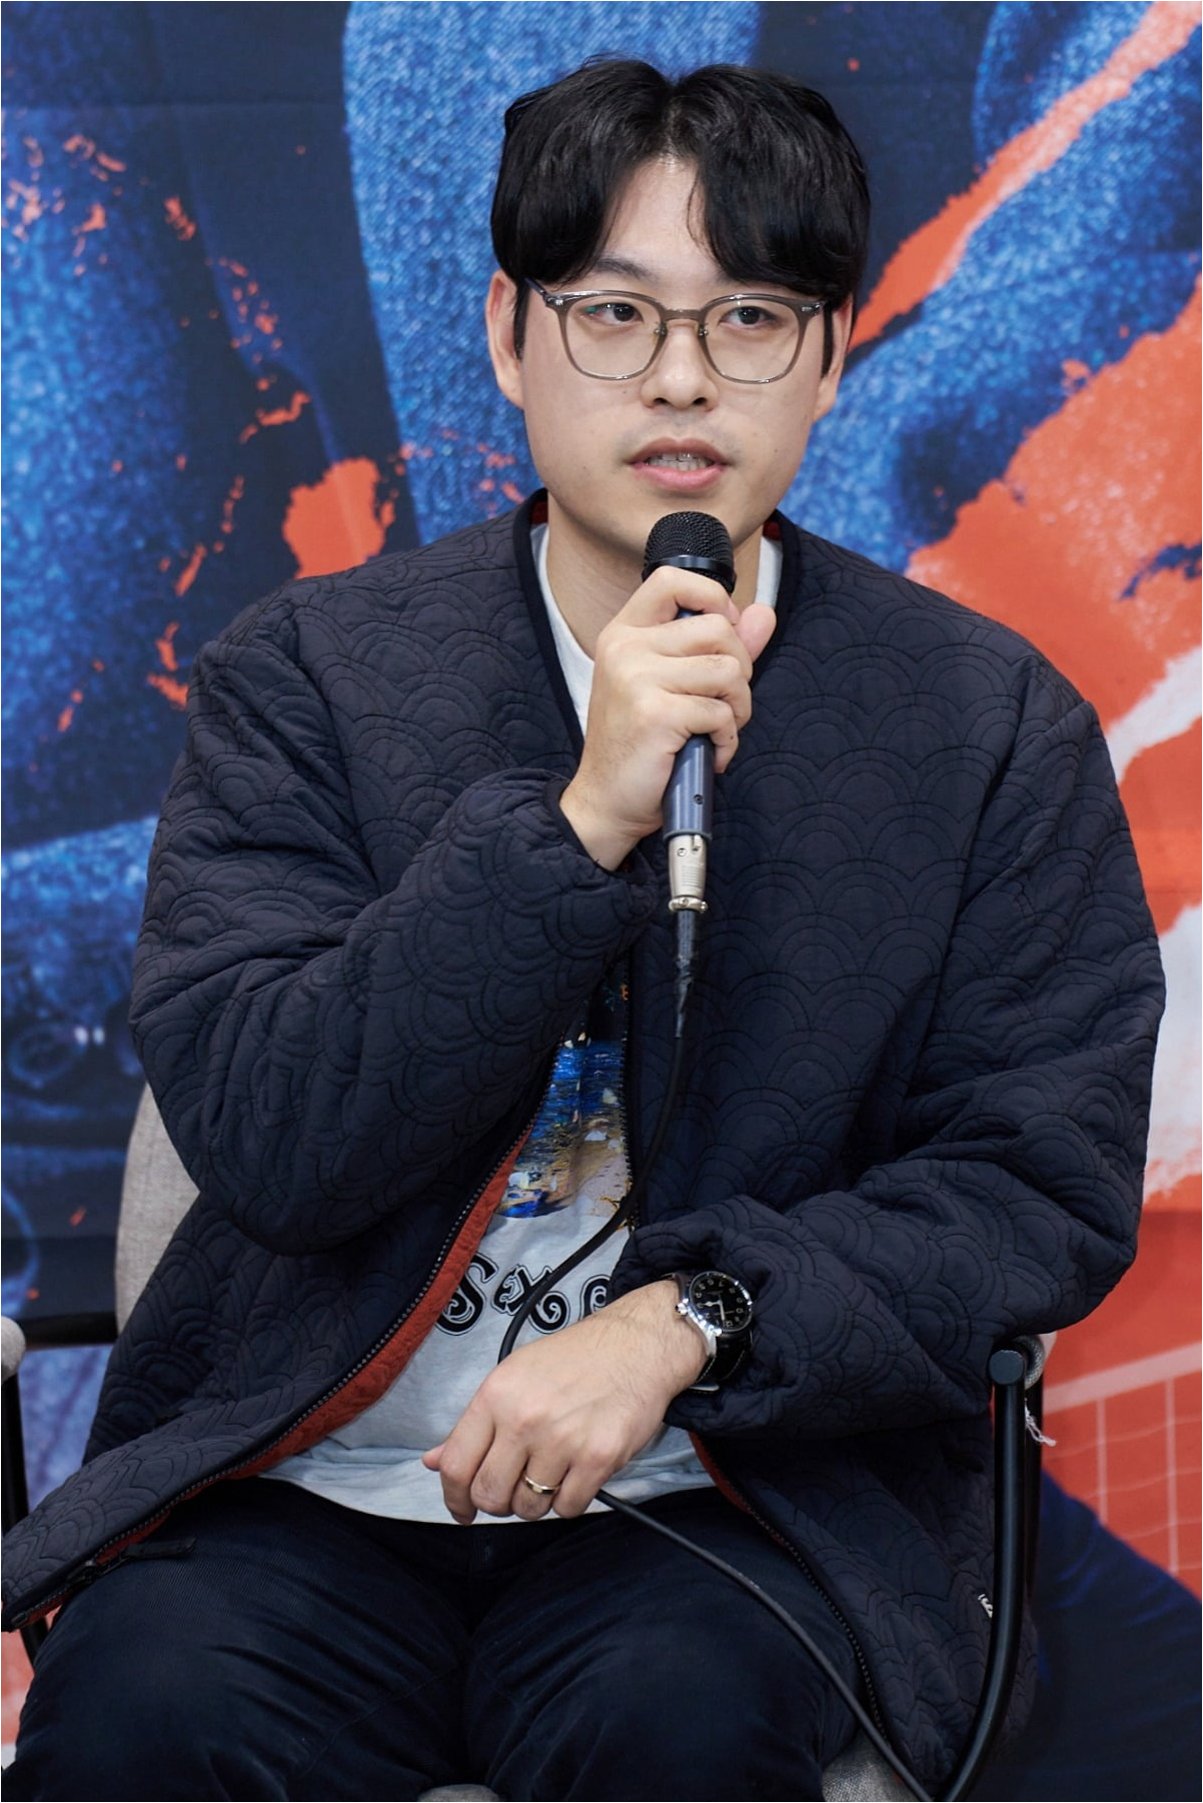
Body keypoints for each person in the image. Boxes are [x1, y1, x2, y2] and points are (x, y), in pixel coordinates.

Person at [3, 58, 1163, 1803]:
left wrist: (690, 1320)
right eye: (615, 314)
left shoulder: (984, 725)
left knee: (674, 1720)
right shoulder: (307, 681)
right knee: (140, 1712)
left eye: (750, 318)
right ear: (508, 335)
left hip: (733, 1499)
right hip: (310, 1487)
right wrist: (574, 825)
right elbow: (269, 1135)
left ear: (833, 354)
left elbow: (1032, 1186)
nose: (682, 377)